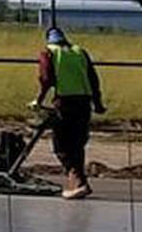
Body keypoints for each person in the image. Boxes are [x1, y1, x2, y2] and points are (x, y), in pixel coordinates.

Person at [34, 27, 105, 199]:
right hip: (84, 103)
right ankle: (79, 182)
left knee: (61, 145)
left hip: (64, 103)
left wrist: (39, 100)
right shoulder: (80, 52)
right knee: (77, 144)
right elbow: (93, 79)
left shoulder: (48, 53)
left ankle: (78, 182)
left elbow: (46, 79)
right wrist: (98, 103)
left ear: (48, 40)